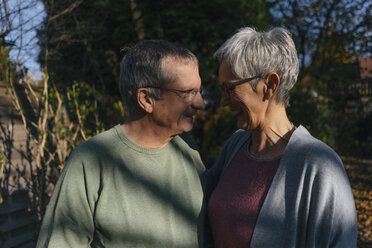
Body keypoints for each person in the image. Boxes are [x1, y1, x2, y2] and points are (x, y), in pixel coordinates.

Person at [37, 40, 207, 247]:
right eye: (187, 93)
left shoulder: (187, 148)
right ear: (146, 99)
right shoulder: (91, 159)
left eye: (198, 91)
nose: (200, 103)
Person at [205, 27, 357, 248]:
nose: (223, 101)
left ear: (269, 85)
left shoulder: (320, 165)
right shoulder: (235, 145)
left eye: (229, 89)